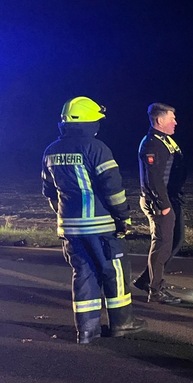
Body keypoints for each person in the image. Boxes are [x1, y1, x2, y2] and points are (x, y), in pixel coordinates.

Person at [41, 96, 147, 344]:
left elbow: (48, 191)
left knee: (83, 274)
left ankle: (87, 331)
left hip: (70, 228)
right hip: (100, 225)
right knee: (115, 272)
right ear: (90, 121)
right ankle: (122, 323)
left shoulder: (51, 150)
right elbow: (112, 188)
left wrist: (65, 217)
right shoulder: (96, 148)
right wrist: (123, 217)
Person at [132, 102, 186, 304]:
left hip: (170, 199)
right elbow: (153, 178)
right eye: (172, 118)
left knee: (176, 240)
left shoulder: (165, 140)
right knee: (162, 245)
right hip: (160, 203)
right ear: (160, 120)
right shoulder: (152, 144)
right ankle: (155, 290)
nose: (175, 122)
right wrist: (163, 205)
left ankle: (146, 280)